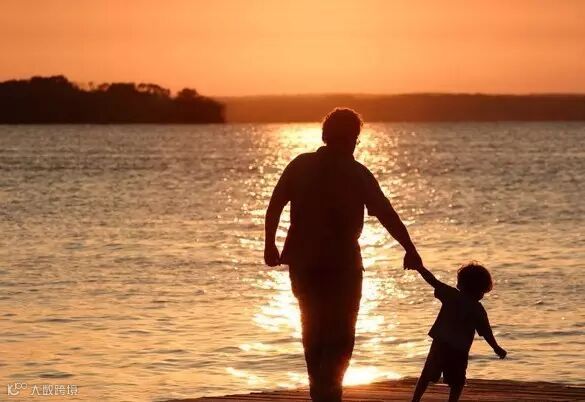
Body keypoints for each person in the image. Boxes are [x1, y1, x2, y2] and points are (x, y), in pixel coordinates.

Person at [264, 108, 423, 401]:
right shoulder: (356, 172)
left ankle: (320, 390)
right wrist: (409, 248)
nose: (355, 145)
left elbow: (275, 205)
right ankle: (330, 390)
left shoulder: (300, 165)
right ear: (352, 138)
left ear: (326, 135)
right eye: (356, 139)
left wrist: (269, 244)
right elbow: (386, 214)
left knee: (312, 327)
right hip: (342, 263)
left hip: (303, 260)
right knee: (342, 332)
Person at [409, 262, 507, 402]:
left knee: (427, 375)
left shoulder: (451, 295)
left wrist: (420, 267)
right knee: (457, 382)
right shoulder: (477, 309)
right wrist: (496, 347)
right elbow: (486, 332)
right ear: (481, 290)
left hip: (441, 344)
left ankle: (415, 400)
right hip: (459, 350)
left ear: (460, 284)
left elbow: (433, 281)